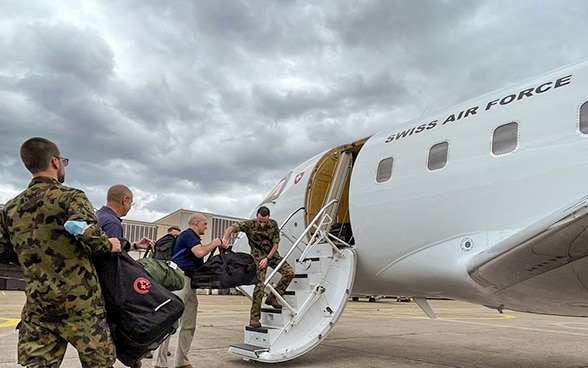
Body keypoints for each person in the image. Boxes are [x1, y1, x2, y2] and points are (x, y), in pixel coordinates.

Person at [0, 137, 122, 367]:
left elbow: (3, 252)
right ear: (55, 162)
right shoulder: (70, 196)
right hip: (81, 305)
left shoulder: (10, 209)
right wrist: (109, 244)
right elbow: (85, 230)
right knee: (99, 363)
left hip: (39, 305)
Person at [153, 213, 228, 368]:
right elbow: (199, 252)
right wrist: (214, 243)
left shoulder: (192, 237)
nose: (206, 227)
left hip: (190, 283)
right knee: (170, 322)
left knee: (189, 323)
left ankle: (182, 361)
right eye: (204, 223)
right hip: (180, 281)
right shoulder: (188, 235)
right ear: (196, 223)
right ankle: (159, 363)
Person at [222, 206, 294, 328]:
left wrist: (268, 258)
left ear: (268, 218)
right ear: (257, 217)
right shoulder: (250, 225)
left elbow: (276, 244)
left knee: (289, 272)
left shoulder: (273, 225)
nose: (261, 224)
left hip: (271, 255)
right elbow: (232, 228)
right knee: (259, 286)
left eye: (264, 222)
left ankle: (273, 297)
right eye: (260, 221)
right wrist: (225, 238)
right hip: (257, 258)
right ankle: (254, 318)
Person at [97, 184, 154, 251]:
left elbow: (101, 247)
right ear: (125, 200)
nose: (130, 207)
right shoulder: (113, 223)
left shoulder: (97, 216)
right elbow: (111, 254)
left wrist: (135, 245)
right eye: (131, 203)